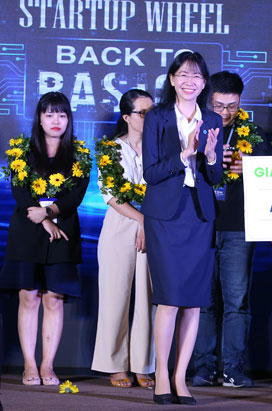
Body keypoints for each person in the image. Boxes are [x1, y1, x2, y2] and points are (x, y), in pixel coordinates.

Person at [141, 51, 223, 405]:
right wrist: (184, 154)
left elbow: (215, 178)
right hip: (165, 216)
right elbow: (151, 172)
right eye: (184, 75)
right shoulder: (158, 117)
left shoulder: (213, 118)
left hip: (200, 216)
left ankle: (180, 377)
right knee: (169, 299)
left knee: (193, 302)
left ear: (204, 84)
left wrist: (211, 157)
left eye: (198, 77)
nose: (191, 82)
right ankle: (161, 374)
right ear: (172, 79)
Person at [0, 92, 90, 386]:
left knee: (54, 299)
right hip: (27, 232)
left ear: (69, 120)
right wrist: (42, 217)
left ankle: (48, 365)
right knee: (29, 297)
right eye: (50, 114)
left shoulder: (80, 155)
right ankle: (29, 365)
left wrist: (50, 214)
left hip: (61, 233)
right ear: (39, 118)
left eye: (62, 115)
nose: (56, 121)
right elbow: (20, 192)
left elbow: (75, 195)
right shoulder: (21, 152)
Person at [191, 71, 266, 388]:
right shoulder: (191, 129)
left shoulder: (255, 135)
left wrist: (248, 167)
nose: (224, 113)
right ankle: (203, 367)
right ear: (208, 100)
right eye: (219, 105)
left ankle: (233, 367)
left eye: (232, 106)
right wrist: (203, 161)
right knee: (203, 302)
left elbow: (269, 182)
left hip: (238, 227)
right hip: (199, 226)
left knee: (237, 301)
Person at [91, 89, 155, 388]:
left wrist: (149, 222)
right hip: (120, 226)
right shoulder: (111, 150)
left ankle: (144, 363)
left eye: (152, 111)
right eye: (143, 113)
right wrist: (141, 219)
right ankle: (114, 364)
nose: (149, 117)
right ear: (127, 117)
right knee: (115, 296)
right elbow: (112, 197)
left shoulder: (162, 147)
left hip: (155, 227)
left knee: (149, 298)